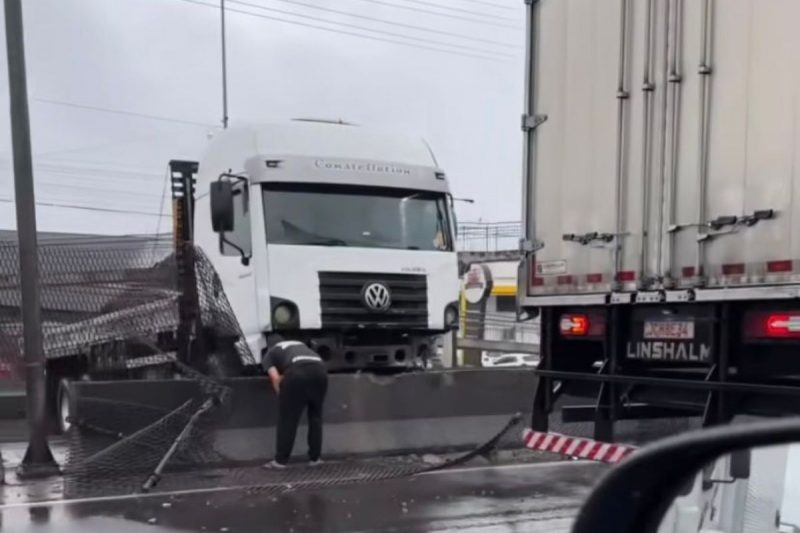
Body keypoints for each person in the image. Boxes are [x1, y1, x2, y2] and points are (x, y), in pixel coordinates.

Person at [262, 334, 329, 468]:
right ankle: (315, 459)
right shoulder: (299, 345)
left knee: (287, 419)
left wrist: (282, 396)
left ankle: (280, 461)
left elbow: (275, 378)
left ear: (269, 345)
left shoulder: (270, 353)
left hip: (297, 373)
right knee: (315, 417)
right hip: (321, 371)